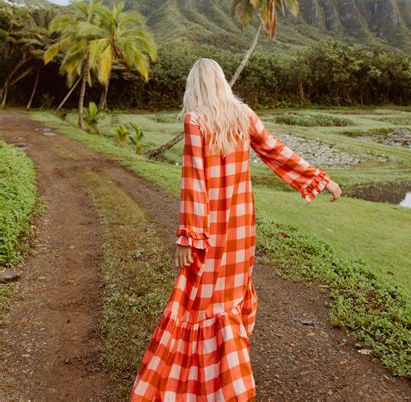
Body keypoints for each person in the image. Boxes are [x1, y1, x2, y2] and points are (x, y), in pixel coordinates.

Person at [130, 58, 342, 401]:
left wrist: (188, 236)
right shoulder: (244, 115)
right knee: (228, 301)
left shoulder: (195, 120)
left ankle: (216, 385)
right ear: (222, 82)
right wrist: (319, 178)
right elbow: (277, 152)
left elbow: (193, 181)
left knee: (200, 302)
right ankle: (230, 382)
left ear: (194, 86)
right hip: (242, 231)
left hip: (210, 230)